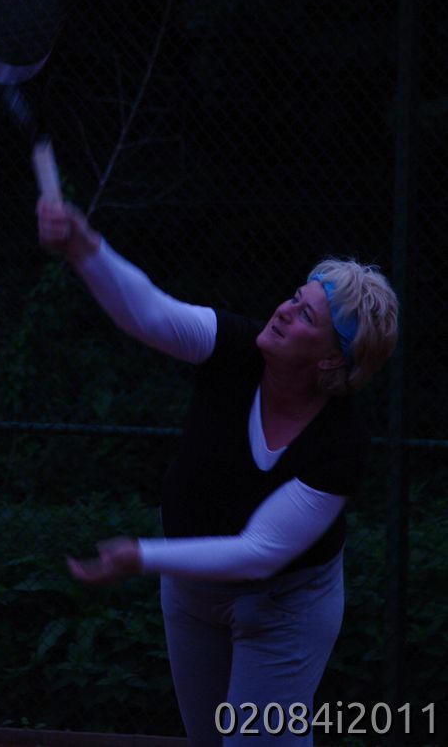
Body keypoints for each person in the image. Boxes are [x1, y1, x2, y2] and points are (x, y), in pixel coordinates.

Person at [37, 199, 399, 746]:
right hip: (192, 593)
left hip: (286, 608)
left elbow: (258, 552)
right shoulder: (233, 347)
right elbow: (150, 314)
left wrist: (141, 556)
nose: (284, 311)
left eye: (306, 316)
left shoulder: (341, 443)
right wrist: (84, 246)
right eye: (294, 298)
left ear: (331, 359)